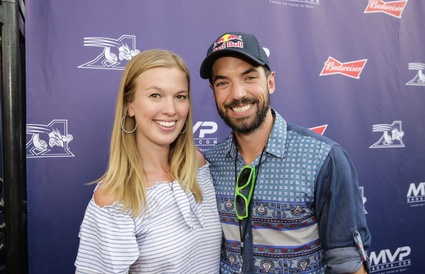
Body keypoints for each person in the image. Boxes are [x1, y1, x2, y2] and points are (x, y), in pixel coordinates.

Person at [199, 32, 371, 273]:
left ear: (270, 82)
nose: (237, 94)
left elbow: (348, 264)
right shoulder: (209, 164)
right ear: (213, 91)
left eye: (249, 77)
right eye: (223, 83)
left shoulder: (323, 158)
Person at [75, 49, 221, 273]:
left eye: (180, 96)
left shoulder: (198, 165)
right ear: (130, 105)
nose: (170, 110)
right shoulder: (114, 199)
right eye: (155, 95)